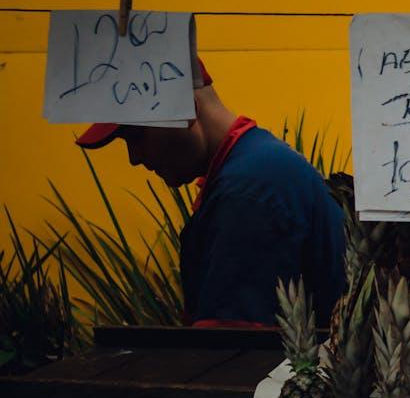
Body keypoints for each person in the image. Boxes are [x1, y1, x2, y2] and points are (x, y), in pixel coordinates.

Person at [74, 59, 346, 327]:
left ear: (187, 113)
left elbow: (231, 351)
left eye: (137, 135)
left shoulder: (247, 193)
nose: (135, 157)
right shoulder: (259, 164)